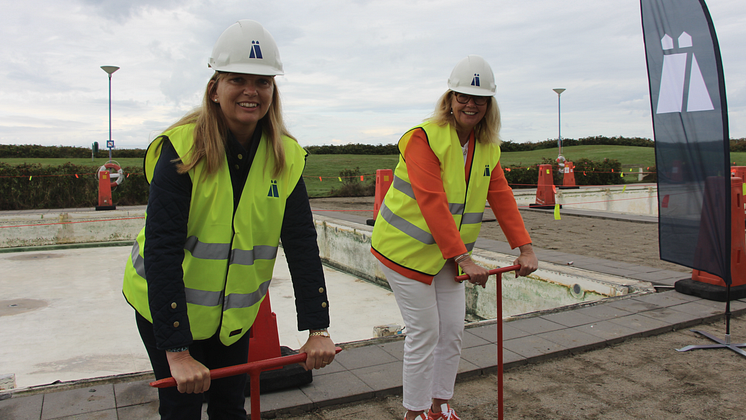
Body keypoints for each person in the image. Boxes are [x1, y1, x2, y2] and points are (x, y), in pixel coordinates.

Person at [122, 20, 336, 419]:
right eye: (237, 79)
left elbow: (303, 245)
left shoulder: (285, 158)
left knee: (228, 408)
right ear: (214, 89)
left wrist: (317, 329)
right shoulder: (181, 151)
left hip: (232, 317)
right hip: (167, 308)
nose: (251, 91)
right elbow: (163, 249)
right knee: (182, 408)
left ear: (274, 90)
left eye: (263, 82)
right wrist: (178, 351)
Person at [370, 55, 539, 420]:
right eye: (462, 96)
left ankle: (438, 405)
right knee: (426, 331)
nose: (470, 104)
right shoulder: (423, 138)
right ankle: (413, 414)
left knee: (452, 331)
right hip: (404, 250)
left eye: (479, 98)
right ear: (449, 100)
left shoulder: (488, 147)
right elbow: (431, 203)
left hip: (447, 254)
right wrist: (464, 259)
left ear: (489, 105)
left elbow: (502, 197)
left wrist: (525, 248)